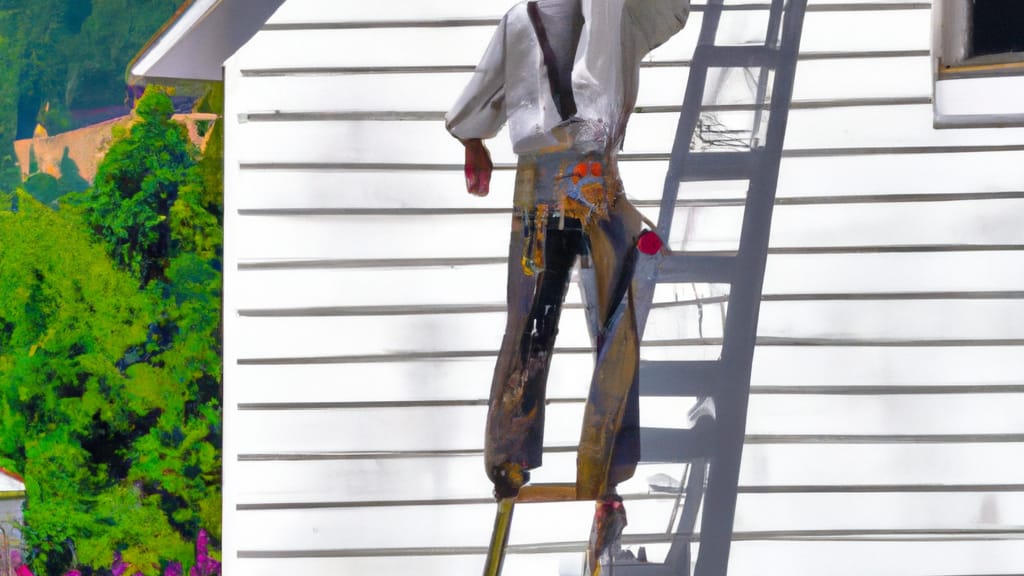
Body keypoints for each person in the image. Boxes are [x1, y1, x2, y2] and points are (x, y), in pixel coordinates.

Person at [445, 0, 689, 558]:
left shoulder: (614, 10)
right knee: (534, 322)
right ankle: (512, 458)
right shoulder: (521, 21)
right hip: (546, 181)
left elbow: (672, 13)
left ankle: (602, 464)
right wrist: (472, 141)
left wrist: (472, 139)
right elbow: (483, 92)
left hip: (595, 173)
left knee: (615, 313)